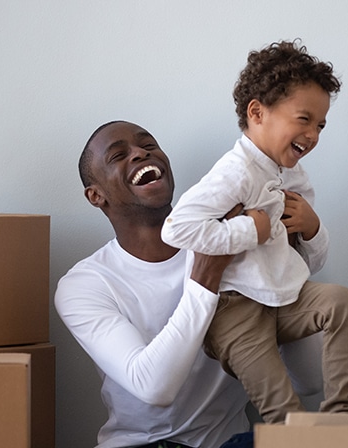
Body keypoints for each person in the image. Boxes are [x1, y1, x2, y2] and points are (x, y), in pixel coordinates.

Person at [55, 120, 321, 448]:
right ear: (96, 196)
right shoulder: (84, 285)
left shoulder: (236, 241)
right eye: (118, 155)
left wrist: (289, 261)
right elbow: (153, 387)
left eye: (148, 145)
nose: (140, 153)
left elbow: (310, 381)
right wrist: (206, 276)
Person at [160, 40, 348, 424]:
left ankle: (340, 418)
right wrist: (249, 230)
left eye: (320, 125)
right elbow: (177, 228)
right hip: (233, 312)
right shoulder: (235, 172)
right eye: (304, 119)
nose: (314, 134)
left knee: (341, 300)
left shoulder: (291, 175)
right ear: (257, 112)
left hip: (280, 299)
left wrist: (312, 227)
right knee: (285, 416)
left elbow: (310, 263)